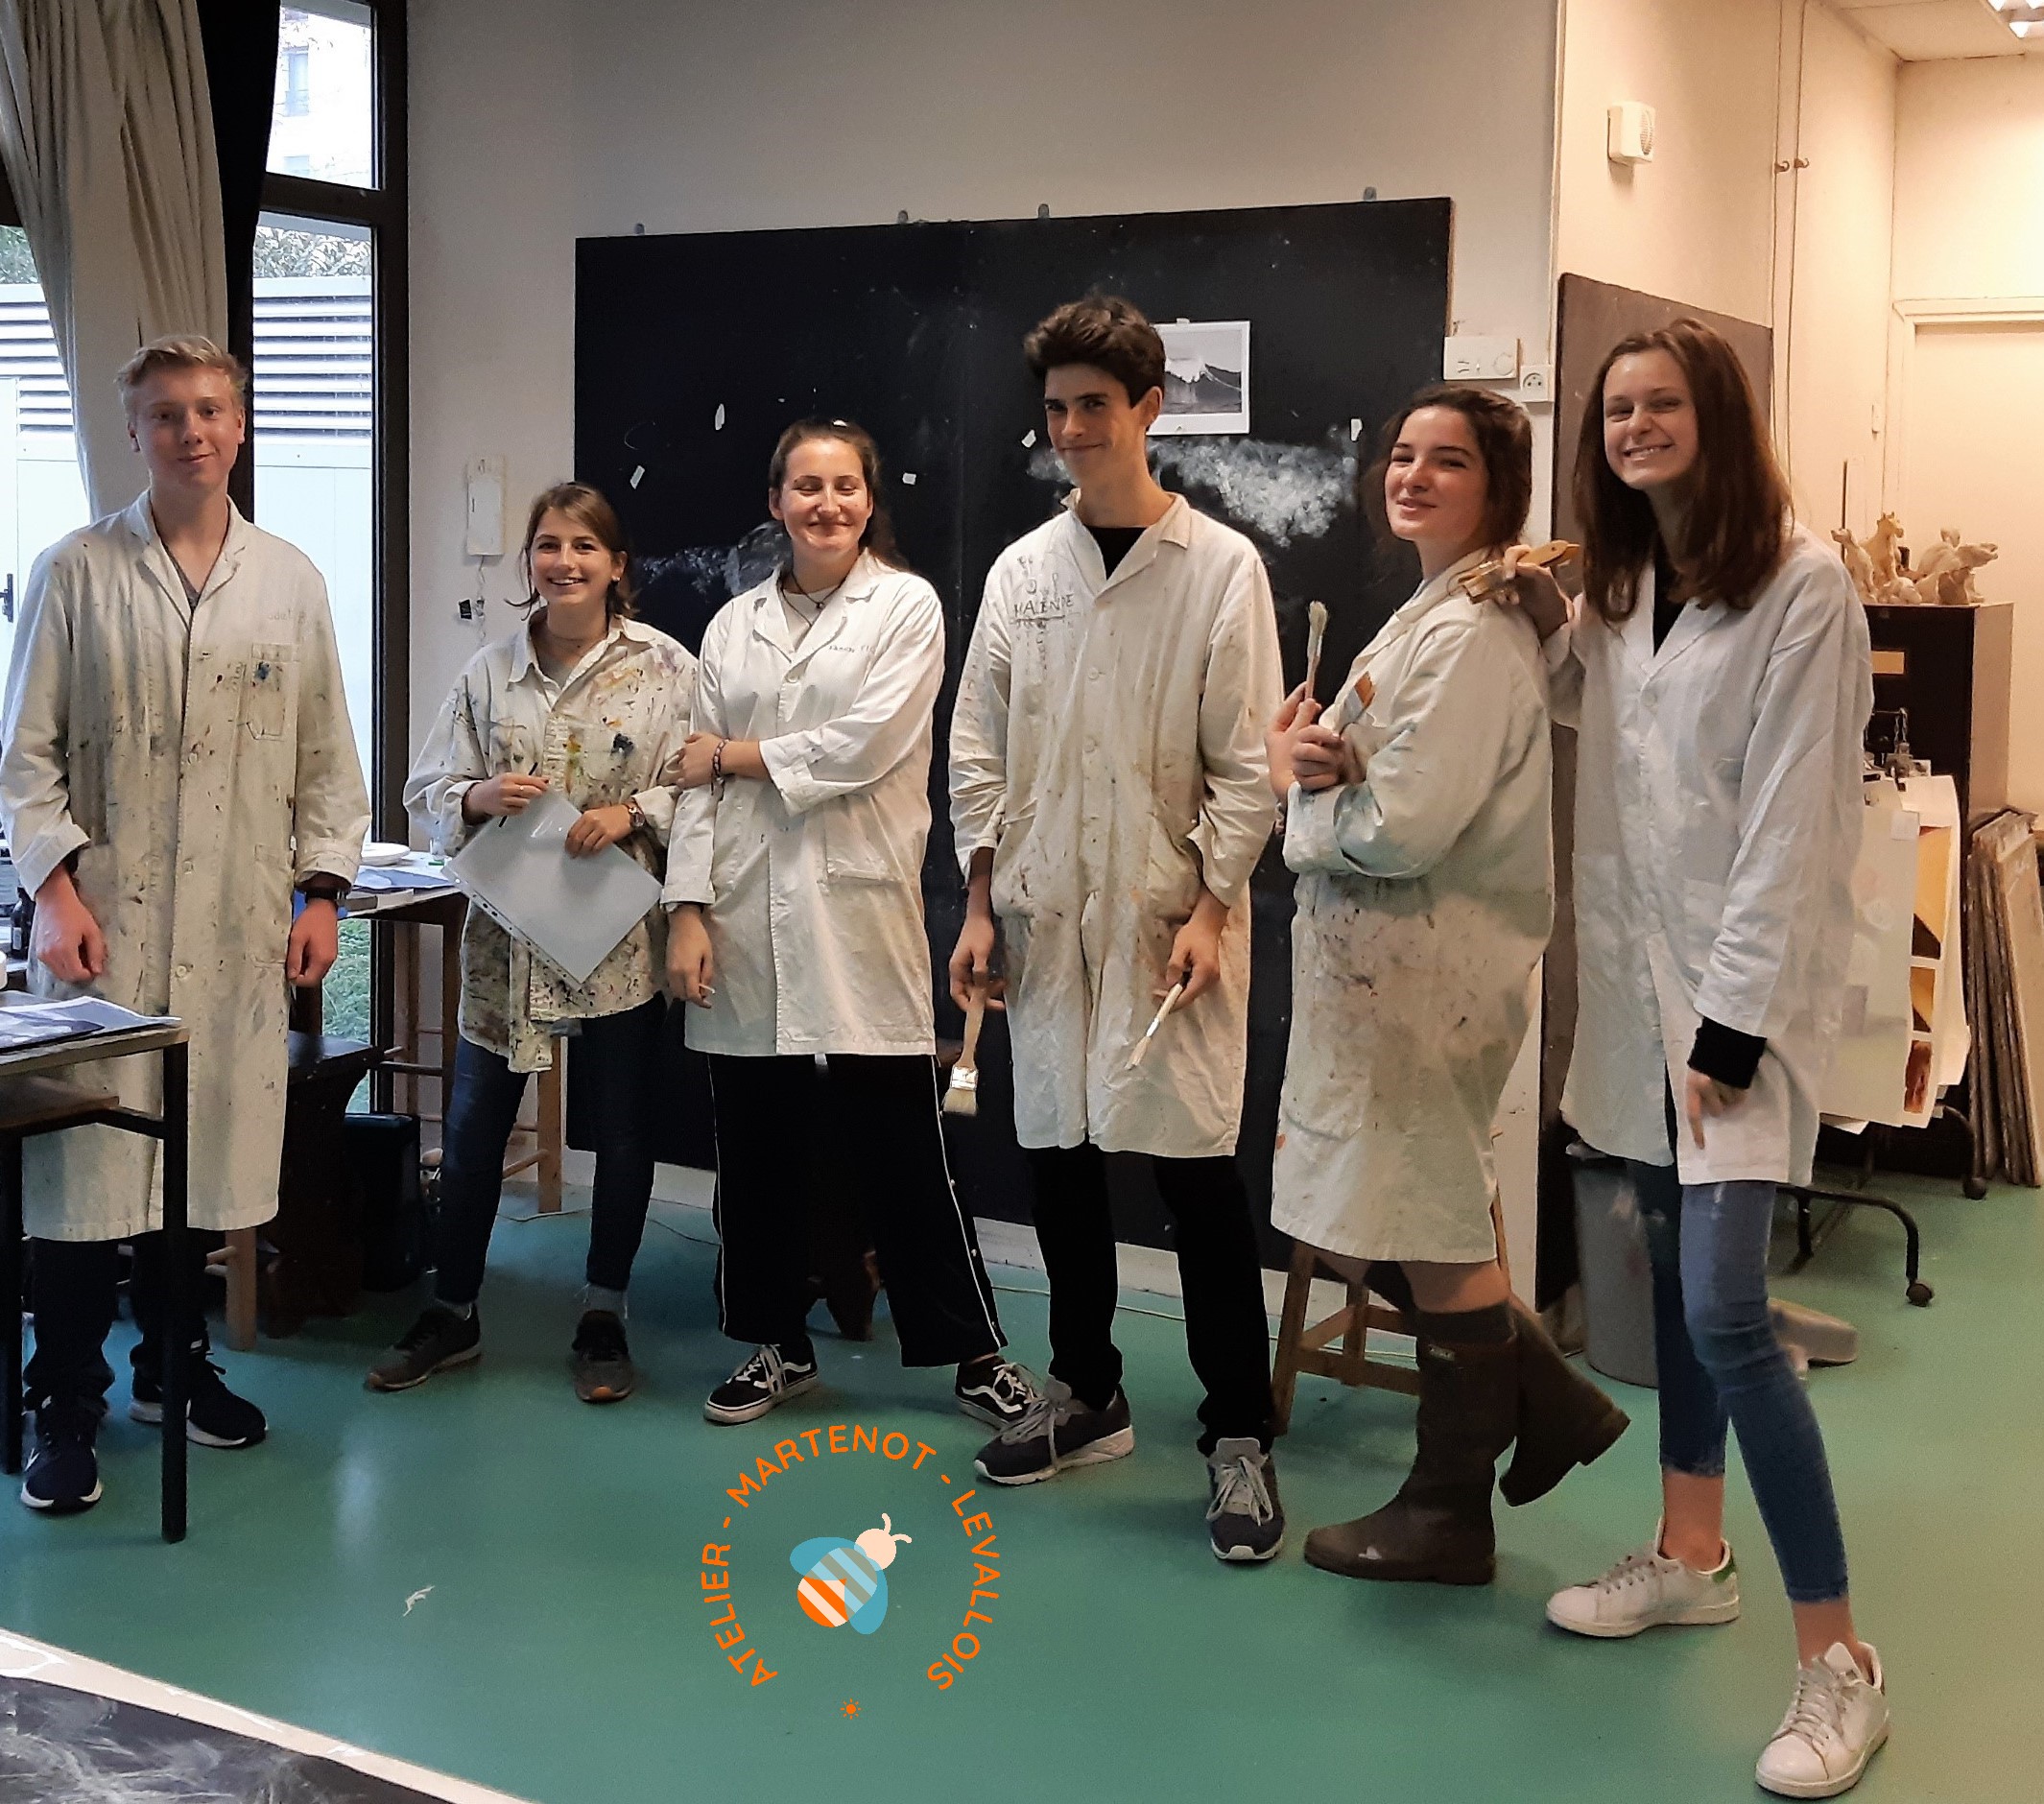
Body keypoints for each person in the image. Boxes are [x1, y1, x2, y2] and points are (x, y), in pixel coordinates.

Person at [1497, 320, 1886, 1799]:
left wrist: (1730, 1023)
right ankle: (1689, 1553)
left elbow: (1793, 813)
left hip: (1734, 1010)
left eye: (1660, 405)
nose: (1633, 428)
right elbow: (1591, 713)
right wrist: (1534, 612)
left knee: (1725, 1310)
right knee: (1667, 1279)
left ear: (1716, 417)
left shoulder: (1803, 584)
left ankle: (1841, 1666)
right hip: (1631, 993)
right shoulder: (1621, 589)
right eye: (1615, 412)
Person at [1264, 386, 1629, 1587]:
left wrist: (1297, 795)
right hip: (1397, 974)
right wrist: (1319, 755)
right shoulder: (1434, 613)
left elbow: (1402, 827)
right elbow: (1390, 775)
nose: (1413, 475)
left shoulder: (1472, 634)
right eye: (1403, 454)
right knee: (1400, 1215)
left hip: (1428, 973)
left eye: (1450, 460)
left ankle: (1449, 1507)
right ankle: (1548, 1403)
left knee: (1425, 1221)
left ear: (1499, 487)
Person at [0, 335, 369, 1512]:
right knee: (81, 1169)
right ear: (134, 433)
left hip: (235, 927)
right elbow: (26, 759)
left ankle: (174, 1366)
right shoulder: (74, 571)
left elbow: (328, 758)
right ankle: (64, 1398)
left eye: (209, 410)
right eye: (166, 413)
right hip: (99, 931)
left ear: (240, 426)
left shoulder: (291, 581)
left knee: (196, 1158)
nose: (190, 431)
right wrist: (54, 892)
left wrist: (321, 893)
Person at [948, 295, 1286, 1563]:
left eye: (1096, 405)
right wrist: (978, 901)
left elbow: (1246, 766)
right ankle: (1085, 1390)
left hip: (1163, 924)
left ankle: (1238, 1430)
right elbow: (977, 749)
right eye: (1056, 409)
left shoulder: (1219, 570)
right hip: (1044, 914)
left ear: (1149, 409)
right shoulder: (1022, 575)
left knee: (1197, 1178)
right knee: (1060, 1157)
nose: (1074, 429)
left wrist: (1211, 905)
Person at [665, 418, 1034, 1432]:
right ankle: (774, 1343)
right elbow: (687, 781)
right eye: (806, 486)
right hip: (742, 910)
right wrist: (686, 909)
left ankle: (973, 1353)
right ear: (775, 501)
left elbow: (865, 745)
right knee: (755, 1146)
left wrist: (735, 754)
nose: (825, 504)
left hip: (858, 907)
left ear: (870, 502)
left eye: (845, 487)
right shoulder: (732, 625)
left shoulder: (904, 607)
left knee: (904, 1147)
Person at [372, 484, 694, 1404]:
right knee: (474, 1130)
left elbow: (704, 786)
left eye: (585, 546)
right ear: (530, 564)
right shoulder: (488, 673)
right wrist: (475, 797)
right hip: (506, 946)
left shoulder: (667, 669)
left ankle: (604, 1314)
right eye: (549, 545)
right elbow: (426, 787)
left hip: (616, 939)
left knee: (622, 1133)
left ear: (617, 565)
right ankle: (454, 1308)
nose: (565, 562)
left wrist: (633, 812)